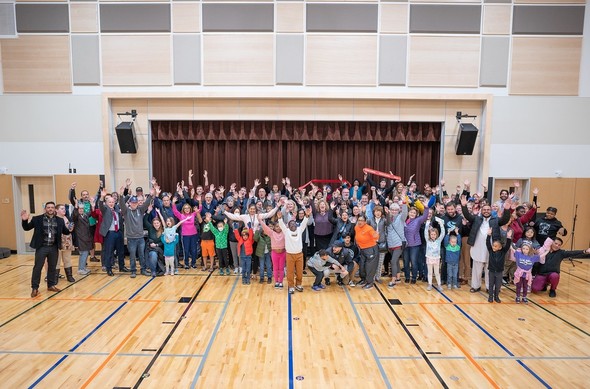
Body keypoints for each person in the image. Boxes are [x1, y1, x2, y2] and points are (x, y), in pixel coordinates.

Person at [461, 195, 511, 293]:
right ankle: (475, 286)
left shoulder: (496, 220)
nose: (486, 211)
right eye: (484, 209)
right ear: (481, 210)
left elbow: (505, 220)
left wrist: (507, 209)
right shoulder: (476, 219)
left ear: (491, 210)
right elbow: (467, 216)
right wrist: (464, 206)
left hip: (491, 249)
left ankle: (489, 287)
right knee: (476, 270)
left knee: (489, 270)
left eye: (488, 209)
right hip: (477, 249)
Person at [21, 202, 71, 297]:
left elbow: (65, 231)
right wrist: (24, 221)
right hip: (42, 247)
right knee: (37, 267)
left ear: (54, 209)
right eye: (48, 207)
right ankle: (35, 288)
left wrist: (70, 229)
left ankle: (51, 285)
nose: (50, 209)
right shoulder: (37, 219)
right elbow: (26, 228)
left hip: (53, 247)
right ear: (45, 209)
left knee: (52, 267)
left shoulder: (59, 220)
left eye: (52, 207)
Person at [278, 208, 311, 294]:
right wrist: (279, 218)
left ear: (296, 225)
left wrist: (307, 215)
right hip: (290, 255)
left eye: (294, 223)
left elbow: (304, 223)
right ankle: (291, 286)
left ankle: (298, 284)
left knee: (300, 272)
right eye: (291, 224)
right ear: (288, 226)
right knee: (290, 272)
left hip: (299, 254)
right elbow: (281, 224)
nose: (292, 225)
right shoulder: (286, 231)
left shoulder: (299, 230)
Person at [509, 239, 551, 303]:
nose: (525, 250)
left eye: (527, 249)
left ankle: (524, 297)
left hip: (527, 274)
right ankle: (517, 296)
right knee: (518, 286)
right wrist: (509, 240)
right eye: (523, 248)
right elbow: (512, 249)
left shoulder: (532, 257)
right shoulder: (518, 254)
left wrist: (547, 251)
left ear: (529, 249)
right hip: (519, 273)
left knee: (525, 286)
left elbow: (540, 256)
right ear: (521, 248)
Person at [120, 193, 151, 278]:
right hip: (131, 239)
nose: (134, 204)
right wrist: (120, 195)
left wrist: (151, 195)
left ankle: (143, 269)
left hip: (140, 238)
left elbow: (146, 204)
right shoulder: (126, 212)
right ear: (129, 203)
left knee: (141, 255)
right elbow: (122, 204)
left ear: (137, 203)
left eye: (135, 203)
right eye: (132, 203)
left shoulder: (140, 210)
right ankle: (133, 270)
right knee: (132, 256)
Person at [99, 190, 127, 276]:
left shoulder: (117, 209)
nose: (111, 203)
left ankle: (122, 266)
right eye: (109, 202)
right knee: (109, 251)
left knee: (121, 251)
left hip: (118, 232)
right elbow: (100, 205)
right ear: (106, 203)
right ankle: (109, 269)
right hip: (110, 233)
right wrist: (101, 197)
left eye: (112, 202)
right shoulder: (105, 209)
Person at [259, 215, 286, 289]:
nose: (279, 228)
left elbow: (289, 225)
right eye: (277, 226)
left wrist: (293, 217)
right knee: (275, 268)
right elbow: (265, 227)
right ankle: (276, 282)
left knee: (281, 268)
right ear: (274, 227)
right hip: (274, 253)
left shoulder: (284, 233)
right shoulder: (271, 233)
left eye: (280, 226)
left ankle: (281, 282)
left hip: (283, 253)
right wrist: (260, 221)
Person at [486, 228, 513, 303]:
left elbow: (507, 246)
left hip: (499, 272)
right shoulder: (490, 251)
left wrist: (508, 238)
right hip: (491, 271)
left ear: (500, 247)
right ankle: (490, 297)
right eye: (493, 245)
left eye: (495, 246)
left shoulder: (503, 252)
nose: (493, 247)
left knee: (498, 285)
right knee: (491, 285)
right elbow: (488, 243)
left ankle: (496, 296)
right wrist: (488, 235)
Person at [354, 215, 379, 290]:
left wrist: (376, 235)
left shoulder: (369, 228)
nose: (360, 222)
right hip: (362, 249)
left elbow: (375, 236)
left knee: (369, 267)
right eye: (359, 220)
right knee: (362, 266)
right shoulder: (356, 227)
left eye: (361, 220)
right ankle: (363, 279)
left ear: (365, 222)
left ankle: (370, 283)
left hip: (371, 249)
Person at [71, 199, 95, 275]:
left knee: (86, 253)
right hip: (81, 238)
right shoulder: (76, 217)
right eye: (79, 208)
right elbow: (74, 214)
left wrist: (92, 204)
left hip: (87, 237)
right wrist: (75, 205)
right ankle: (80, 269)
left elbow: (90, 212)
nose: (81, 210)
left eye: (82, 208)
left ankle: (83, 267)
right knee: (83, 253)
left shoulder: (85, 215)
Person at [55, 203, 76, 283]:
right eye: (62, 208)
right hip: (58, 243)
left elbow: (71, 229)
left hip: (67, 242)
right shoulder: (54, 219)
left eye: (64, 208)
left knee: (67, 259)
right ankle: (55, 277)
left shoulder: (68, 218)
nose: (64, 210)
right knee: (57, 260)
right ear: (56, 210)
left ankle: (69, 276)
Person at [424, 217, 445, 291]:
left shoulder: (438, 241)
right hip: (429, 258)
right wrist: (427, 223)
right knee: (430, 272)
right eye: (431, 234)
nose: (433, 235)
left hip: (436, 258)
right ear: (430, 235)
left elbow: (443, 233)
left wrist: (441, 224)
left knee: (437, 272)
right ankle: (430, 284)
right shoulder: (428, 240)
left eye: (434, 234)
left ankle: (439, 285)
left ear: (437, 235)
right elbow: (425, 232)